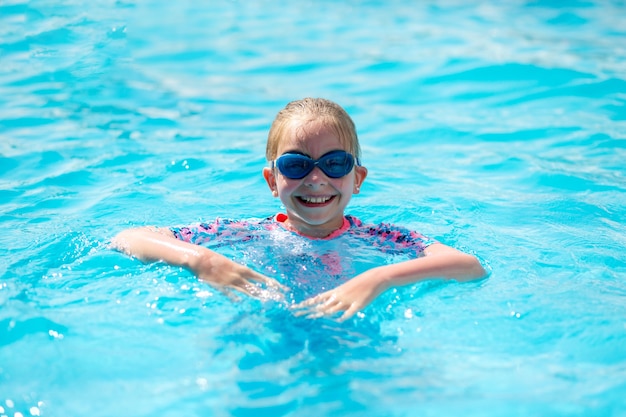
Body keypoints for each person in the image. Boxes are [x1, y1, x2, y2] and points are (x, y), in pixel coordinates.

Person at [112, 98, 486, 321]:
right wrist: (204, 262)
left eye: (335, 164)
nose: (316, 178)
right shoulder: (246, 232)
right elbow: (129, 238)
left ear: (358, 178)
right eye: (295, 165)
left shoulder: (382, 239)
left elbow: (469, 265)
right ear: (272, 180)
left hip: (351, 331)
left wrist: (380, 278)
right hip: (268, 328)